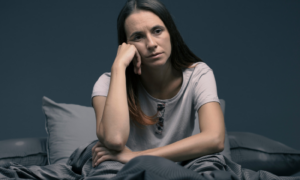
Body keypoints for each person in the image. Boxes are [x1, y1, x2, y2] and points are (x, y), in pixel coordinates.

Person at [91, 0, 225, 170]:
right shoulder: (108, 82)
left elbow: (215, 138)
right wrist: (118, 66)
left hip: (175, 170)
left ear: (171, 33)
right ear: (126, 46)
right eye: (138, 37)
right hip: (126, 171)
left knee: (211, 165)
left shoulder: (199, 75)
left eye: (157, 31)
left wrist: (136, 156)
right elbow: (115, 139)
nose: (152, 44)